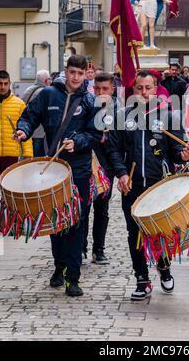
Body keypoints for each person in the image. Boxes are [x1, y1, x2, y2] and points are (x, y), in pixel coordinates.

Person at [16, 55, 101, 297]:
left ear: (86, 74)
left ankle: (73, 277)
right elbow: (29, 117)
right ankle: (59, 266)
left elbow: (95, 134)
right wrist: (23, 131)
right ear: (66, 71)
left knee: (76, 222)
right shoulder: (47, 95)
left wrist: (79, 141)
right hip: (51, 169)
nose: (75, 77)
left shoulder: (91, 101)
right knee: (56, 222)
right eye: (72, 72)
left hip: (79, 171)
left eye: (80, 73)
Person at [107, 70, 189, 300]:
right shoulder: (122, 116)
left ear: (156, 89)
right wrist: (122, 173)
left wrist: (183, 156)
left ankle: (164, 267)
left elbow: (177, 150)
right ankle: (142, 279)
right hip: (132, 186)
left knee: (160, 232)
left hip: (160, 186)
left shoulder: (169, 116)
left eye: (148, 88)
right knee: (134, 232)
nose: (144, 93)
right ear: (133, 90)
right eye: (139, 88)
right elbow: (113, 150)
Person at [83, 72, 117, 264]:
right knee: (84, 208)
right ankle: (81, 248)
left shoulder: (120, 110)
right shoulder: (88, 106)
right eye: (97, 88)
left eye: (105, 89)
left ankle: (99, 249)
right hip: (87, 164)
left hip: (107, 166)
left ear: (112, 89)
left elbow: (123, 141)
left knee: (102, 209)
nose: (100, 92)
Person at [0, 71, 33, 179]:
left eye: (5, 83)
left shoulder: (19, 104)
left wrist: (28, 153)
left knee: (8, 189)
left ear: (10, 84)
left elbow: (26, 127)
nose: (3, 87)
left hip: (12, 155)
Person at [22, 70, 51, 157]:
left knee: (28, 158)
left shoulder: (28, 89)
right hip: (39, 132)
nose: (50, 81)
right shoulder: (45, 92)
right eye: (49, 79)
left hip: (28, 130)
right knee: (38, 159)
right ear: (46, 80)